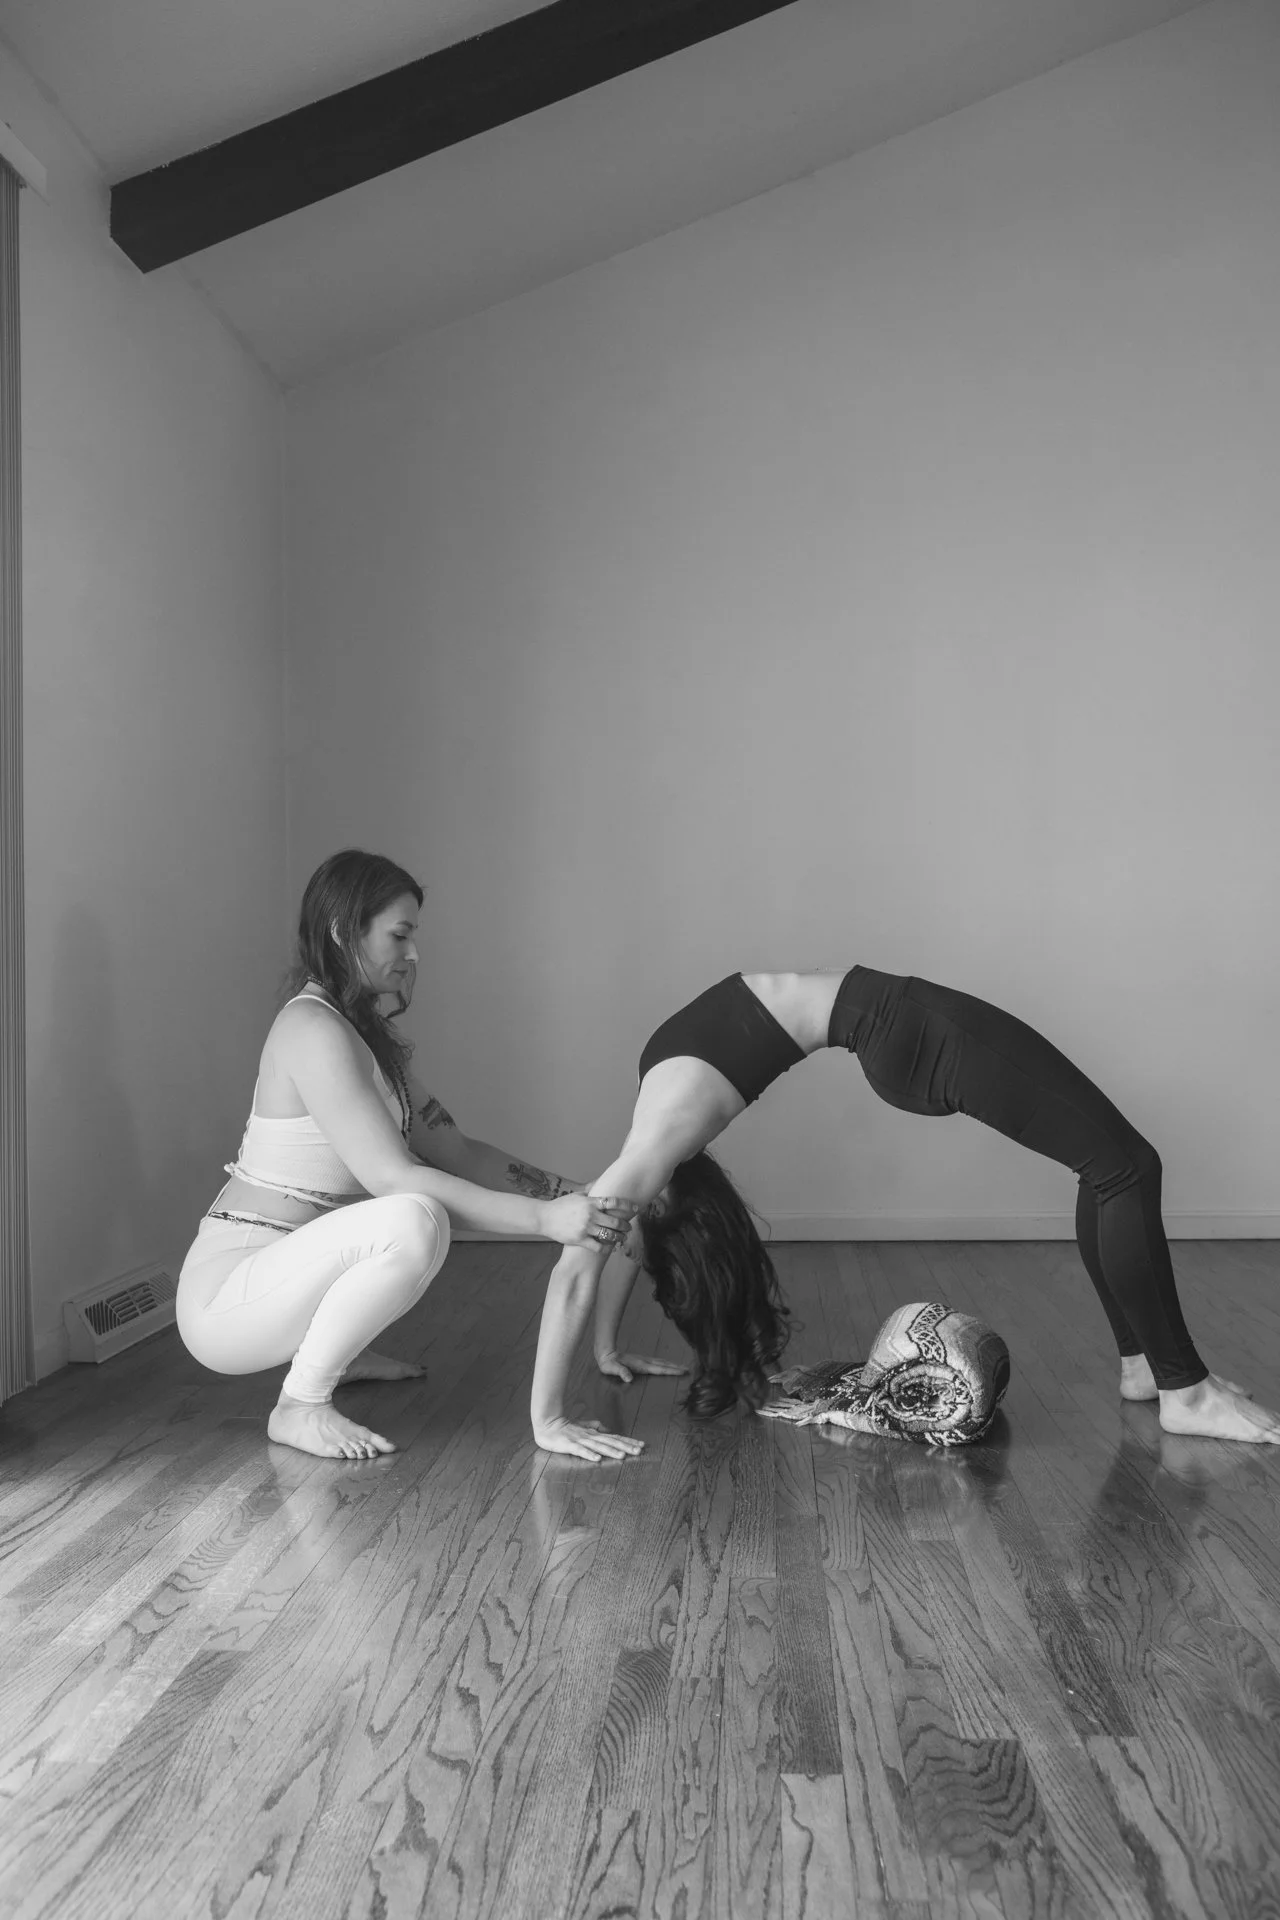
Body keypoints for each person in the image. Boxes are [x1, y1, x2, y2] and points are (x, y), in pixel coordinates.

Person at [529, 966, 1280, 1459]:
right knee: (1123, 1168)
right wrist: (548, 1418)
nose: (618, 1222)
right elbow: (578, 1265)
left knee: (1110, 1166)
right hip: (906, 1028)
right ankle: (1185, 1390)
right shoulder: (658, 1138)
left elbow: (612, 1240)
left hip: (895, 1025)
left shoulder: (651, 1144)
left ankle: (1145, 1366)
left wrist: (605, 1347)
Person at [177, 850, 630, 1460]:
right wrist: (547, 1221)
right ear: (343, 931)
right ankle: (300, 1405)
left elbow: (458, 1150)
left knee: (413, 1211)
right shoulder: (311, 1029)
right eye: (400, 934)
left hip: (284, 1280)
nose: (413, 953)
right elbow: (392, 1177)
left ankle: (338, 1357)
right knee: (413, 1217)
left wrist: (584, 1196)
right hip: (227, 1301)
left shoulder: (364, 1039)